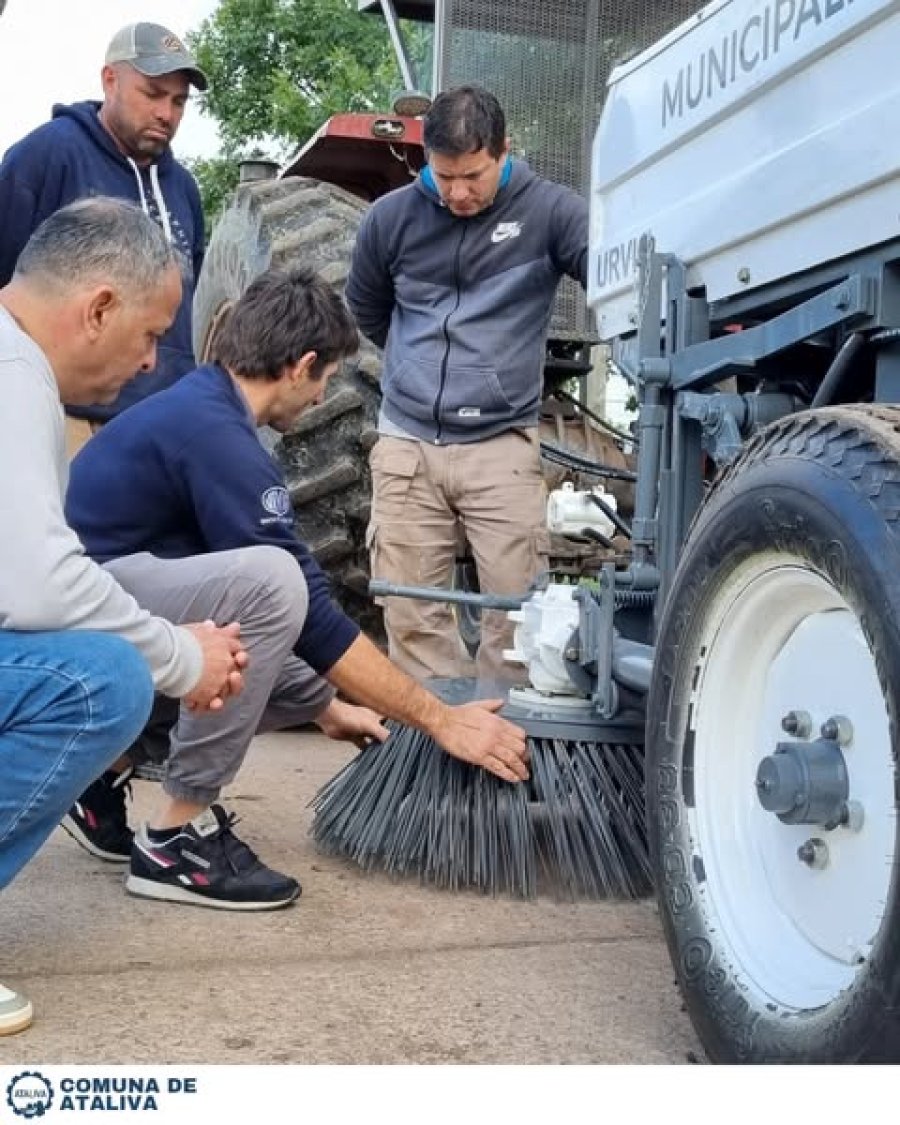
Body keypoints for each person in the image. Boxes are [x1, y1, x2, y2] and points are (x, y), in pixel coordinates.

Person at [65, 265, 530, 914]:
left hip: (95, 627)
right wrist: (439, 717)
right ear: (301, 365)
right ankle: (175, 838)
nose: (320, 397)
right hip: (75, 637)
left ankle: (96, 773)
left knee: (276, 645)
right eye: (327, 379)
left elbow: (256, 634)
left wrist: (324, 707)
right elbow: (303, 608)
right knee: (274, 582)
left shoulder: (201, 408)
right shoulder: (217, 436)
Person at [0, 197, 249, 1035]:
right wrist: (180, 655)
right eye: (149, 335)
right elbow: (39, 582)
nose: (150, 364)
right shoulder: (11, 372)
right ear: (98, 307)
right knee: (101, 681)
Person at [345, 85, 589, 684]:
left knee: (515, 618)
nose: (457, 192)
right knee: (411, 614)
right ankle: (437, 753)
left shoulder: (554, 213)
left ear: (505, 149)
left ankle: (500, 758)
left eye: (472, 175)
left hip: (501, 444)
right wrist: (415, 371)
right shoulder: (389, 220)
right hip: (407, 443)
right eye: (443, 174)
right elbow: (367, 312)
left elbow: (612, 278)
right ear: (425, 156)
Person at [0, 21, 207, 447]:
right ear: (110, 79)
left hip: (166, 424)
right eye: (152, 94)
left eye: (179, 102)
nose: (166, 114)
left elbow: (196, 305)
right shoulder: (46, 157)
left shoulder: (183, 188)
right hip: (67, 420)